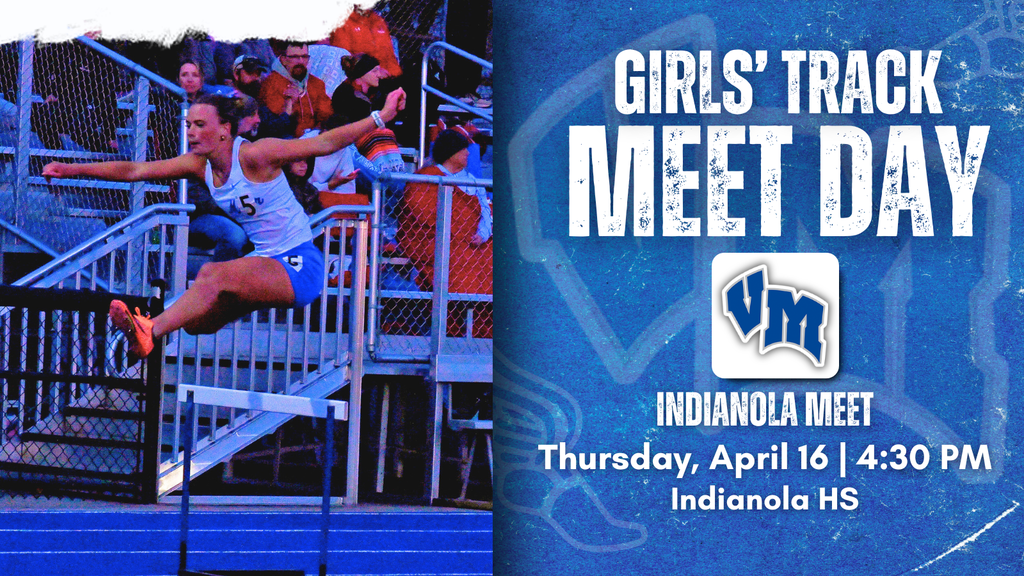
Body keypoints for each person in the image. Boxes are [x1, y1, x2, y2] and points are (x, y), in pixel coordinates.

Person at [41, 88, 407, 359]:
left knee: (211, 275)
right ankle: (149, 336)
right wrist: (72, 168)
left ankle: (149, 328)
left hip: (298, 264)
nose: (192, 132)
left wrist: (381, 117)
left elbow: (325, 143)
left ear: (225, 131)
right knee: (199, 323)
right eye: (188, 125)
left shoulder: (256, 153)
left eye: (200, 125)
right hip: (266, 261)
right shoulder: (198, 165)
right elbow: (137, 170)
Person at [398, 129, 492, 338]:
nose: (468, 154)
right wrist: (459, 231)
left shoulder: (473, 181)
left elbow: (485, 211)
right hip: (438, 240)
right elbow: (422, 212)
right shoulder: (427, 177)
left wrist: (482, 233)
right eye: (463, 149)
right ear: (451, 153)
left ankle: (481, 328)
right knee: (462, 259)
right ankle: (457, 326)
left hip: (473, 240)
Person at [258, 41, 333, 138]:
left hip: (315, 139)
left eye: (304, 57)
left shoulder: (317, 84)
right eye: (295, 57)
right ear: (284, 59)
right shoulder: (271, 84)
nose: (301, 62)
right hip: (285, 142)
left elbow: (326, 115)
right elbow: (276, 125)